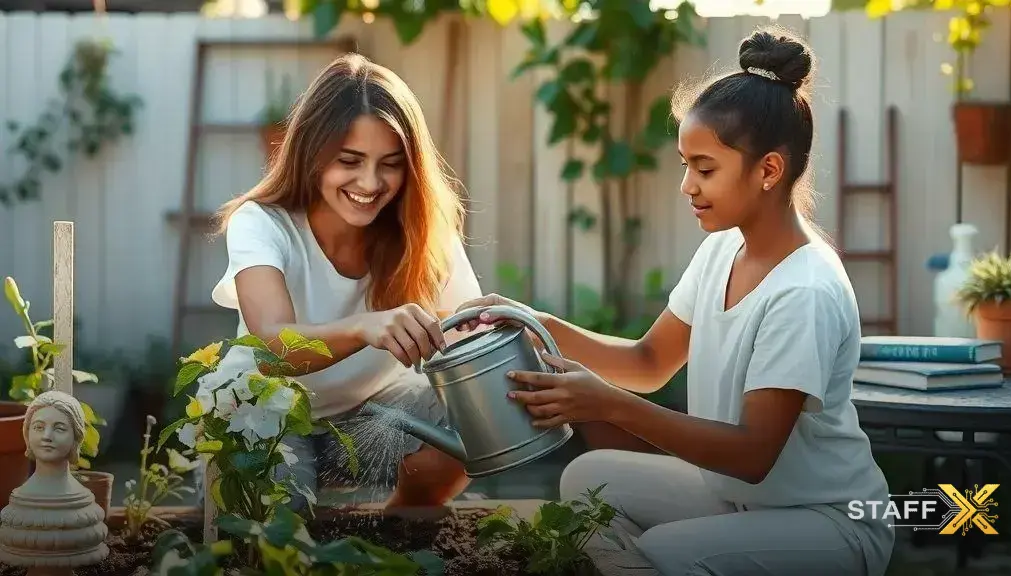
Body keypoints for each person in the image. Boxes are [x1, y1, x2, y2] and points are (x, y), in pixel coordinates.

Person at [451, 26, 894, 576]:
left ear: (769, 171)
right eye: (686, 164)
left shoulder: (803, 291)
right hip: (740, 497)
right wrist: (532, 322)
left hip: (829, 519)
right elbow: (649, 363)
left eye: (704, 168)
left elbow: (753, 455)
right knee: (587, 481)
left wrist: (607, 405)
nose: (687, 185)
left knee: (666, 555)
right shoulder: (722, 250)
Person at [204, 53, 482, 510]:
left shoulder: (422, 229)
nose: (370, 182)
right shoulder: (262, 223)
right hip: (267, 419)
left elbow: (466, 338)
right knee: (277, 531)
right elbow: (273, 348)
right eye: (349, 160)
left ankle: (401, 526)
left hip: (370, 420)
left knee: (469, 414)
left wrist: (492, 331)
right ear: (311, 154)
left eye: (390, 163)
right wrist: (364, 327)